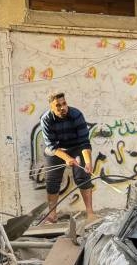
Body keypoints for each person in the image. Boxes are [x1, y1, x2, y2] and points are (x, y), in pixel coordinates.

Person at [40, 91, 95, 222]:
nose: (62, 107)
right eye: (58, 105)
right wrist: (66, 158)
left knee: (83, 177)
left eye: (64, 104)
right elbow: (52, 146)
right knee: (52, 181)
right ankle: (52, 215)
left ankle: (90, 213)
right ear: (51, 107)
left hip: (76, 148)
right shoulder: (46, 119)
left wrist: (87, 162)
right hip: (56, 150)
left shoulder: (76, 115)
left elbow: (84, 142)